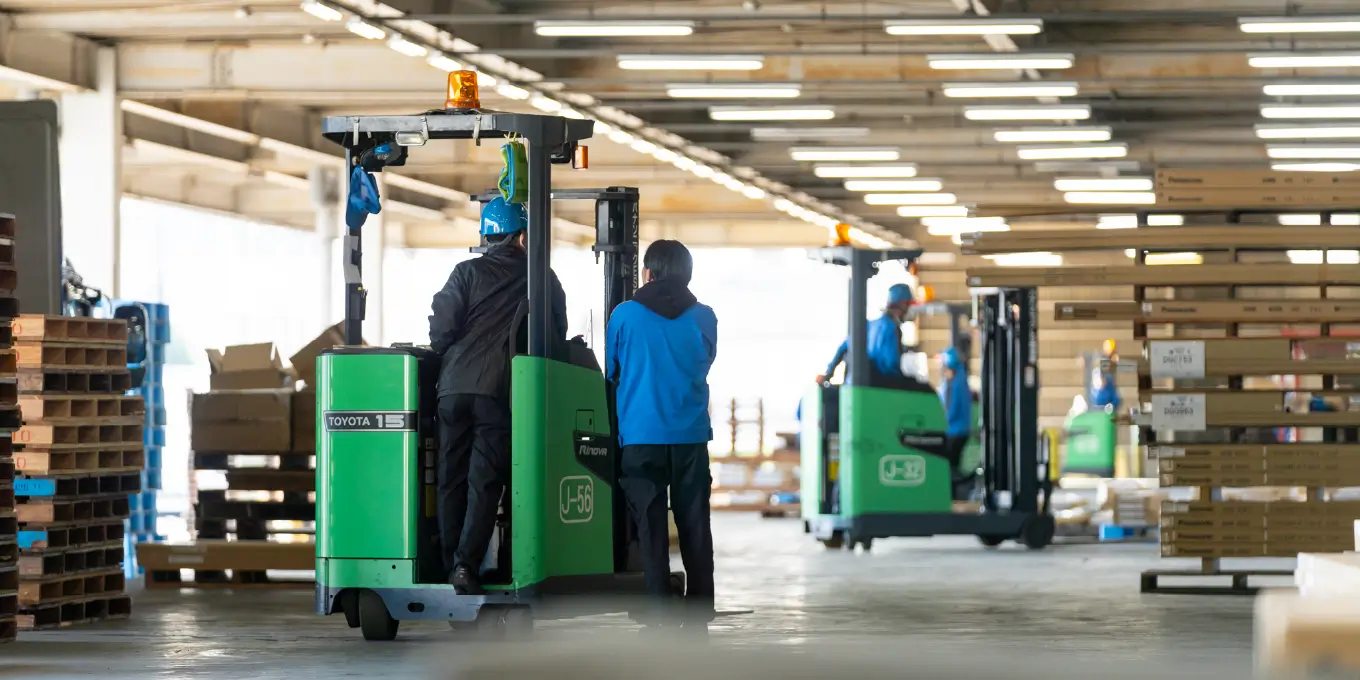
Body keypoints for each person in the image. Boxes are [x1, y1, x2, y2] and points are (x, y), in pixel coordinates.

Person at [428, 197, 567, 595]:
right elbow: (554, 336)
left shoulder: (465, 272)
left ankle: (448, 564)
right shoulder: (540, 277)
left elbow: (441, 332)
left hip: (452, 390)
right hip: (499, 391)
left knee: (450, 479)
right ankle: (465, 567)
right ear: (521, 236)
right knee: (484, 482)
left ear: (487, 237)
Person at [606, 239, 718, 631]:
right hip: (690, 437)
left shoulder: (624, 315)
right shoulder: (704, 316)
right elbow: (706, 360)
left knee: (650, 529)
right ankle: (700, 609)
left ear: (648, 273)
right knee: (695, 524)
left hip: (640, 437)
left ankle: (659, 613)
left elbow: (612, 369)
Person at [820, 283, 918, 387]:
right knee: (921, 388)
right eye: (908, 305)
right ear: (902, 304)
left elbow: (842, 348)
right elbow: (891, 364)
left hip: (853, 384)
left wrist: (828, 374)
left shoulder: (868, 325)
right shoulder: (892, 328)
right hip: (878, 385)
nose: (909, 309)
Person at [938, 347, 974, 499]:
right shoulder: (961, 380)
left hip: (954, 432)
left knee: (949, 467)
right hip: (960, 431)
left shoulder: (954, 384)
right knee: (952, 465)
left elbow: (950, 410)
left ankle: (953, 496)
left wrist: (939, 423)